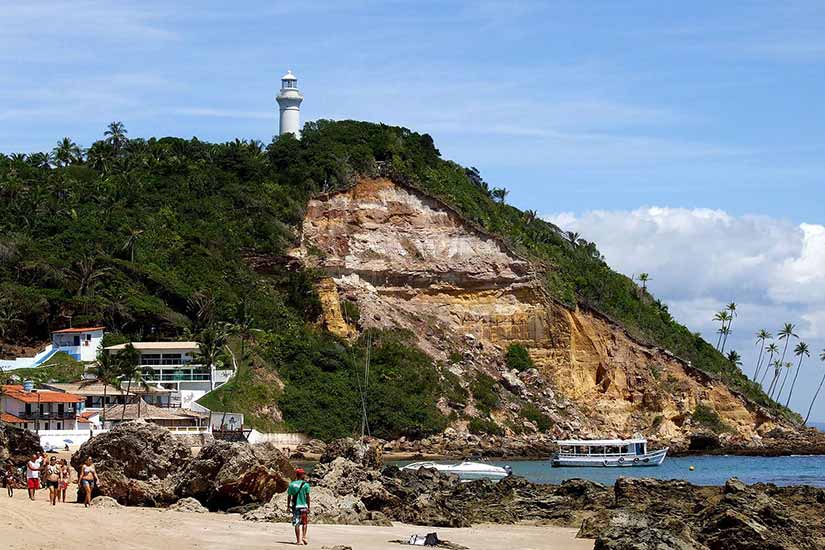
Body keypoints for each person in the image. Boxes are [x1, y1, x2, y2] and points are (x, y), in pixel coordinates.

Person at [286, 468, 311, 545]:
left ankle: (298, 541)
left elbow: (289, 496)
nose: (304, 475)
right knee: (304, 522)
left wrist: (288, 506)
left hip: (296, 506)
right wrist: (309, 507)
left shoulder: (292, 484)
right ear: (301, 475)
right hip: (304, 506)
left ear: (296, 475)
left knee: (297, 523)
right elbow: (308, 497)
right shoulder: (306, 485)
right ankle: (304, 536)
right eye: (303, 474)